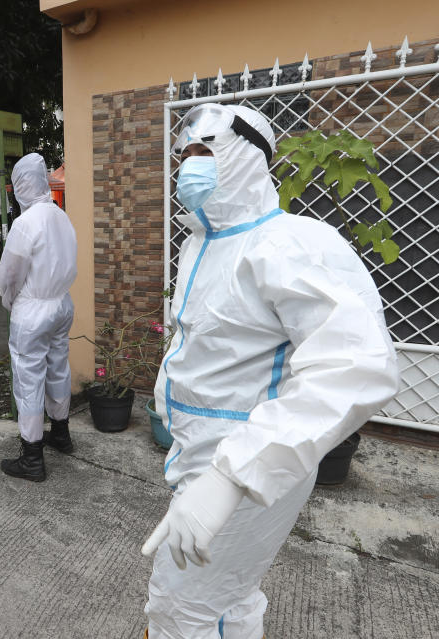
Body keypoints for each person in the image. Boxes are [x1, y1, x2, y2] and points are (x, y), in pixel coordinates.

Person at [139, 103, 399, 639]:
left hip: (247, 461)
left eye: (206, 150)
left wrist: (230, 475)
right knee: (230, 598)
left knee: (179, 608)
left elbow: (357, 364)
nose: (191, 166)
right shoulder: (199, 245)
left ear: (249, 158)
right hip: (197, 454)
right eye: (185, 154)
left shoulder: (287, 244)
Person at [0, 153, 77, 482]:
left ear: (19, 186)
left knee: (29, 381)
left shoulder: (25, 223)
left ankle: (32, 456)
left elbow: (10, 276)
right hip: (62, 304)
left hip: (33, 309)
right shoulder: (61, 216)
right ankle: (60, 433)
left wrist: (10, 301)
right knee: (58, 367)